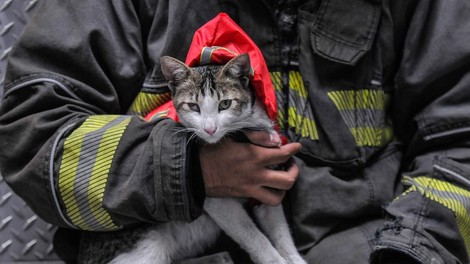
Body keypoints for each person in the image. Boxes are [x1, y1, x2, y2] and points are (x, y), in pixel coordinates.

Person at [0, 0, 469, 263]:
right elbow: (33, 130)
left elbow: (459, 139)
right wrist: (182, 170)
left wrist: (414, 251)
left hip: (368, 251)